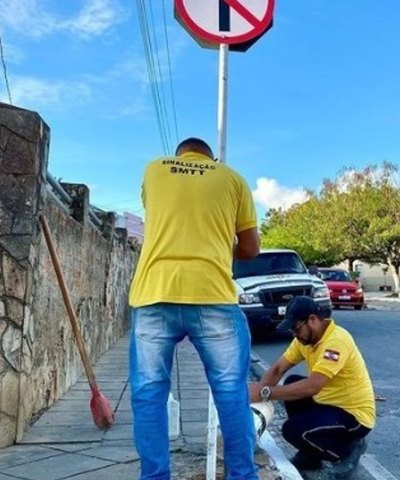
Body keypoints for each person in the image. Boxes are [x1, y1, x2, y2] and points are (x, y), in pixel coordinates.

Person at [128, 137, 261, 480]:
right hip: (212, 294)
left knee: (148, 394)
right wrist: (216, 244)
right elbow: (250, 247)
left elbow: (165, 218)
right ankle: (242, 476)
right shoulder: (232, 178)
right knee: (231, 393)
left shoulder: (155, 169)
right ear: (212, 159)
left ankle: (155, 476)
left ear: (179, 155)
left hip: (154, 293)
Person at [249, 296, 375, 479]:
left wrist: (266, 392)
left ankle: (348, 450)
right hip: (328, 404)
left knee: (292, 430)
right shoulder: (305, 340)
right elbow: (278, 368)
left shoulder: (336, 342)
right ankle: (312, 455)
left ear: (313, 320)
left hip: (354, 416)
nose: (294, 334)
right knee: (292, 381)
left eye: (296, 328)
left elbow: (313, 386)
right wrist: (257, 392)